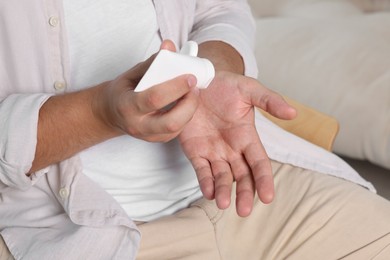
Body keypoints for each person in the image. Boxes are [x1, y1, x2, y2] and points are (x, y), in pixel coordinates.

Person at [1, 1, 390, 259]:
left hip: (246, 182)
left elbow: (221, 9)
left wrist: (212, 70)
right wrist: (101, 114)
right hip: (75, 231)